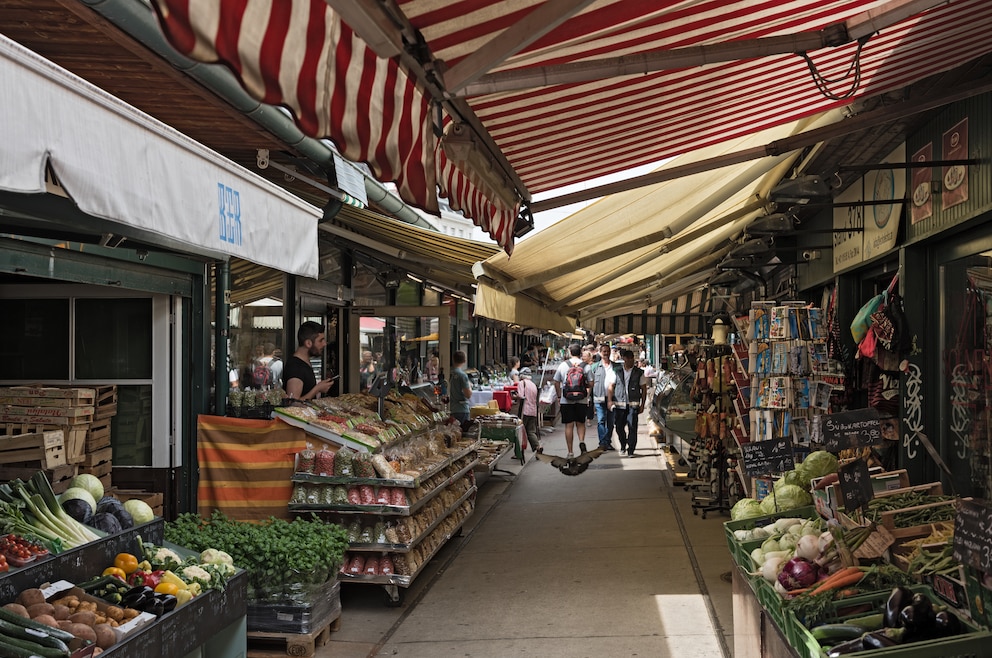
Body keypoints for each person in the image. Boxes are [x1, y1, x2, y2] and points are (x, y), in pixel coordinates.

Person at [553, 343, 591, 458]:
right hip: (582, 400)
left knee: (569, 426)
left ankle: (570, 452)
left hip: (566, 400)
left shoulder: (563, 365)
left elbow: (556, 381)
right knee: (580, 423)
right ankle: (581, 441)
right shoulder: (586, 366)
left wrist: (559, 396)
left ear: (570, 352)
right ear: (580, 353)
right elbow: (591, 383)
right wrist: (586, 395)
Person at [608, 349, 648, 457]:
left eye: (632, 358)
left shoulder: (639, 373)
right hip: (619, 404)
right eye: (628, 358)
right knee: (619, 427)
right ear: (624, 359)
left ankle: (631, 449)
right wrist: (610, 400)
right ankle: (623, 444)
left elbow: (644, 389)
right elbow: (611, 386)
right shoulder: (617, 371)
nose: (630, 361)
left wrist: (642, 404)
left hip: (633, 404)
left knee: (632, 427)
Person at [284, 321, 334, 401]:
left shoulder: (304, 362)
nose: (325, 344)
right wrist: (317, 389)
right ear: (308, 343)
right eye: (321, 340)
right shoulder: (296, 367)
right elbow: (292, 402)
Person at [590, 344, 616, 451]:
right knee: (601, 420)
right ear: (600, 353)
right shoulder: (595, 367)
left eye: (608, 351)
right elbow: (590, 383)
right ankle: (602, 443)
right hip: (599, 398)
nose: (606, 353)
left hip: (613, 398)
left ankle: (607, 442)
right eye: (604, 351)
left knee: (611, 421)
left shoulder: (615, 367)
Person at [517, 367, 541, 454]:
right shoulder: (533, 384)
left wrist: (514, 396)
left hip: (524, 410)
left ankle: (519, 452)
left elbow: (521, 395)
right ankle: (537, 446)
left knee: (520, 431)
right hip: (533, 410)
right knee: (531, 431)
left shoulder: (522, 383)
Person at [449, 350, 473, 428]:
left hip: (453, 408)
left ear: (453, 359)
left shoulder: (451, 373)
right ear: (465, 360)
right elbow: (468, 395)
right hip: (462, 409)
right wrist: (470, 387)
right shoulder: (462, 375)